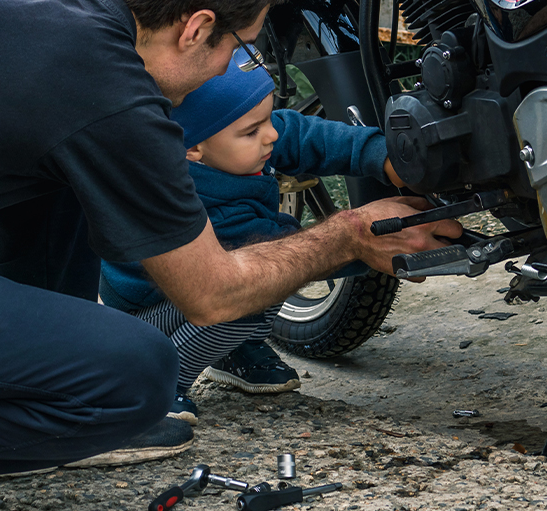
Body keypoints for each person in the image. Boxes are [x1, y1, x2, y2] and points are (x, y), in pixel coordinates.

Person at [0, 0, 461, 490]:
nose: (236, 70)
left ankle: (13, 379)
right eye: (244, 48)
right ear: (196, 29)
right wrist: (350, 233)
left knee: (59, 165)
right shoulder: (98, 81)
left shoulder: (58, 22)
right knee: (135, 378)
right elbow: (213, 295)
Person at [100, 59, 400, 424]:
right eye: (252, 131)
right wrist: (365, 240)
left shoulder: (232, 143)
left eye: (268, 118)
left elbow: (305, 134)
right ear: (192, 148)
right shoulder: (202, 199)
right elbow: (283, 256)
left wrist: (383, 155)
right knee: (260, 290)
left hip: (187, 297)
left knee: (254, 288)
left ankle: (232, 353)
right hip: (144, 321)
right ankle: (158, 379)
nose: (271, 135)